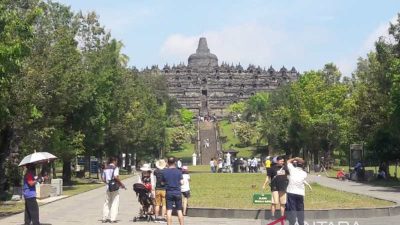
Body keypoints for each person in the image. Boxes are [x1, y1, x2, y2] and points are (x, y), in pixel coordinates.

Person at [102, 157, 126, 223]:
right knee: (115, 202)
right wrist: (121, 184)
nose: (117, 162)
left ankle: (104, 218)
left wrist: (108, 183)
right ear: (114, 161)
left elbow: (103, 179)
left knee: (107, 202)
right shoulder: (115, 168)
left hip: (107, 187)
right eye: (116, 161)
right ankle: (113, 218)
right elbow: (116, 177)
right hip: (114, 187)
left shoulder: (105, 168)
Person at [162, 157, 184, 225]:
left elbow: (162, 183)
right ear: (175, 163)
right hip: (177, 192)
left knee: (169, 210)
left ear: (168, 163)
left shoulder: (164, 172)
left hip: (169, 192)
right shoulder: (179, 171)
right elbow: (182, 182)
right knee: (179, 210)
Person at [286, 157, 308, 225]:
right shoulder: (304, 174)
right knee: (300, 209)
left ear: (296, 164)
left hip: (291, 192)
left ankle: (292, 222)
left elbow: (288, 162)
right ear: (303, 166)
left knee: (292, 208)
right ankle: (301, 222)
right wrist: (299, 160)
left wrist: (295, 158)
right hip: (300, 193)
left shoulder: (292, 169)